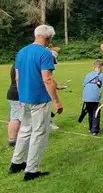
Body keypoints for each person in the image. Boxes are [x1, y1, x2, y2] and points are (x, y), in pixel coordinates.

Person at [8, 25, 64, 181]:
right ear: (48, 38)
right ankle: (31, 170)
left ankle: (16, 162)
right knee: (39, 133)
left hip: (24, 98)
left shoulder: (22, 52)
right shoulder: (45, 53)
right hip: (39, 99)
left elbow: (17, 78)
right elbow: (47, 79)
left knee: (25, 130)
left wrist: (21, 96)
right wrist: (56, 101)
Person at [77, 59, 103, 135]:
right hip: (95, 96)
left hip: (86, 95)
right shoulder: (102, 75)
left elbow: (84, 84)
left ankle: (91, 128)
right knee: (96, 112)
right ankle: (95, 130)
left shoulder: (88, 74)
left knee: (90, 112)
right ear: (101, 67)